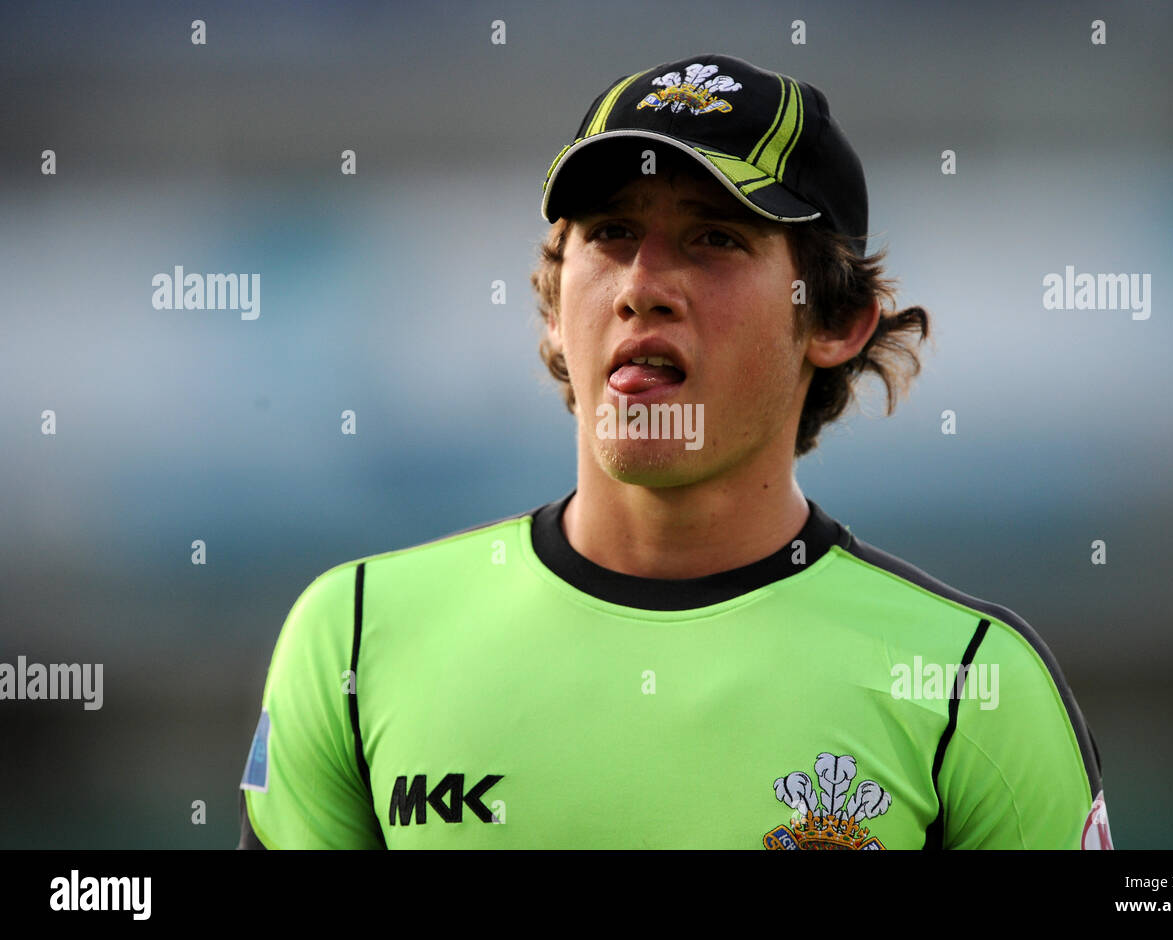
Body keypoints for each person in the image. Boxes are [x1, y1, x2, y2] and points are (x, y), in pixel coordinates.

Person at [237, 52, 1111, 850]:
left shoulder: (970, 684)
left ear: (838, 320)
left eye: (715, 239)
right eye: (611, 232)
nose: (642, 287)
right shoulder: (353, 637)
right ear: (552, 303)